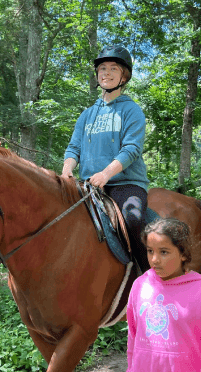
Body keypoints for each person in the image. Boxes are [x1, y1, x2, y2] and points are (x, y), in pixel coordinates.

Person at [61, 44, 150, 270]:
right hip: (88, 185)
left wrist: (105, 174)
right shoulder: (87, 114)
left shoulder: (132, 111)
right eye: (102, 68)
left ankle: (147, 276)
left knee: (133, 219)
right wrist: (67, 169)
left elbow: (131, 150)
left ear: (124, 76)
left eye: (113, 69)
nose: (106, 73)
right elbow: (74, 148)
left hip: (125, 184)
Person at [126, 218, 201, 372]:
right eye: (150, 251)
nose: (154, 259)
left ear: (183, 253)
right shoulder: (140, 285)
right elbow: (133, 334)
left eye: (164, 252)